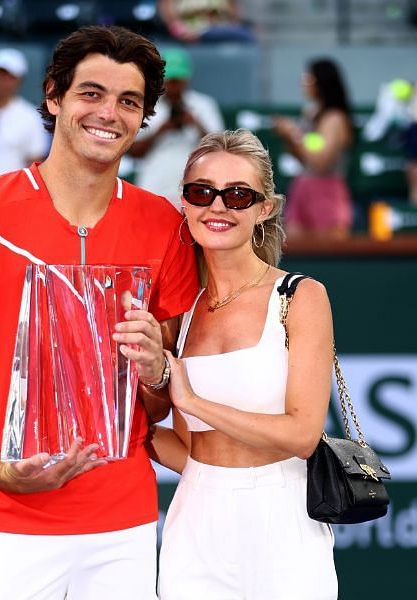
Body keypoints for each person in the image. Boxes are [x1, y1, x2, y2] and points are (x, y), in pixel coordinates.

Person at [0, 26, 199, 598]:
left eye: (129, 101)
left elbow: (157, 404)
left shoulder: (164, 227)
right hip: (3, 522)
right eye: (92, 93)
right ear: (54, 97)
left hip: (122, 525)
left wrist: (158, 369)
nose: (109, 113)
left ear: (143, 118)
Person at [151, 129, 336, 598]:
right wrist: (123, 424)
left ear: (264, 209)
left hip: (285, 516)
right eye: (202, 192)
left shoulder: (300, 296)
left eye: (237, 195)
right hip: (195, 518)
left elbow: (302, 435)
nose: (217, 207)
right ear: (185, 204)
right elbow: (190, 451)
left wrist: (190, 396)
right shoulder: (181, 311)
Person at [129, 47, 224, 206]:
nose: (173, 86)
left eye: (177, 80)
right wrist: (161, 131)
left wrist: (195, 124)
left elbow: (219, 149)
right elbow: (133, 151)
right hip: (153, 188)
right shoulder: (146, 105)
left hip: (195, 190)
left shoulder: (204, 105)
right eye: (170, 80)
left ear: (187, 79)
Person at [273, 57, 355, 240]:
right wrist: (290, 139)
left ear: (321, 82)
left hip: (326, 191)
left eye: (309, 78)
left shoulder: (335, 118)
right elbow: (305, 156)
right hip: (303, 187)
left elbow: (321, 161)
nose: (303, 82)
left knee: (329, 253)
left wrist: (295, 134)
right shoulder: (310, 113)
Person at [0, 48, 49, 177]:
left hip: (11, 191)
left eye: (7, 76)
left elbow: (35, 163)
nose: (0, 80)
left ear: (19, 81)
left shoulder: (31, 117)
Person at [158, 0, 253, 44]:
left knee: (246, 35)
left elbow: (234, 16)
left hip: (220, 35)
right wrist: (181, 32)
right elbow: (168, 12)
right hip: (189, 38)